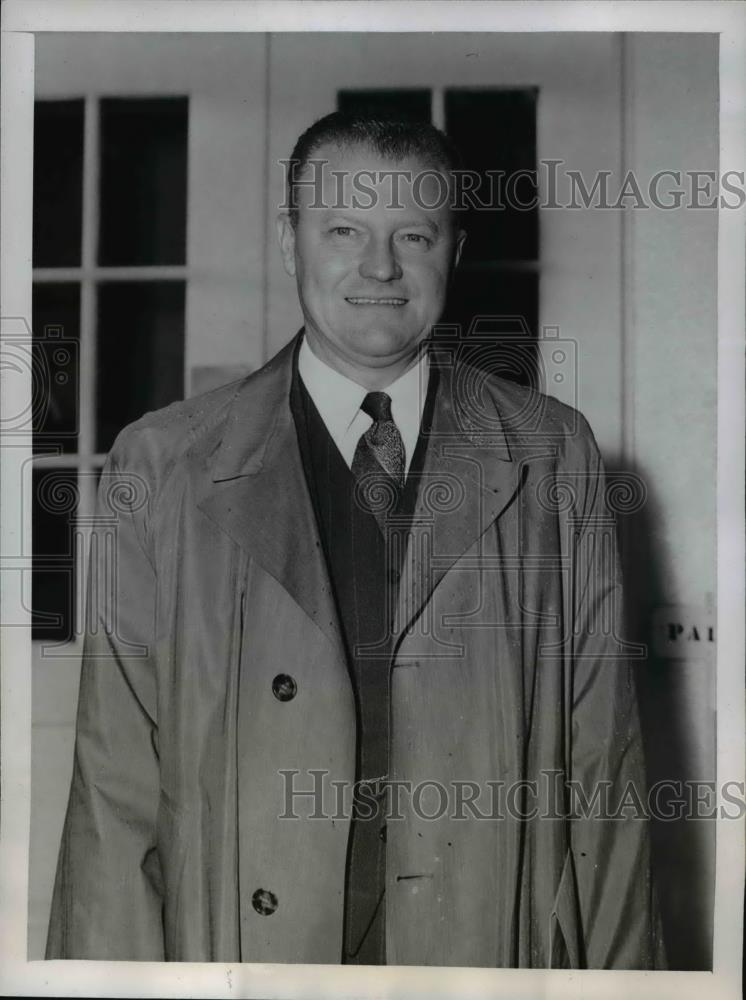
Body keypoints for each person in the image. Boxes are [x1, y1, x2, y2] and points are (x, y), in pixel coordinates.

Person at [47, 112, 665, 968]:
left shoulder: (551, 450)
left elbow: (607, 772)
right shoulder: (162, 461)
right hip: (246, 960)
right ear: (290, 241)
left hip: (479, 956)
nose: (380, 267)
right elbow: (113, 795)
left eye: (413, 233)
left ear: (454, 248)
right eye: (344, 229)